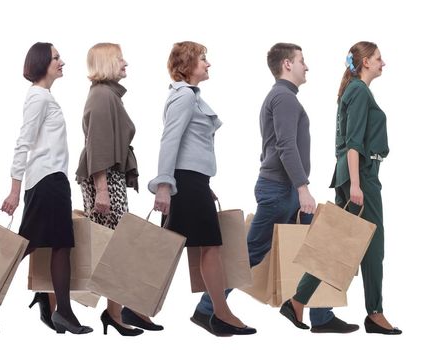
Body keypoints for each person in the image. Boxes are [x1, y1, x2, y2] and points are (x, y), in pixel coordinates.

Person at [191, 43, 358, 334]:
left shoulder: (282, 97)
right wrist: (302, 187)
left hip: (284, 188)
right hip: (281, 190)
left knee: (314, 248)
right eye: (302, 61)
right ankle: (207, 310)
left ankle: (320, 315)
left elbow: (273, 147)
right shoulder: (283, 98)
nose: (307, 66)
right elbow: (285, 146)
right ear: (287, 65)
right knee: (253, 252)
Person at [284, 41, 401, 335]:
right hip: (361, 177)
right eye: (378, 58)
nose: (382, 63)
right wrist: (357, 186)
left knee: (337, 243)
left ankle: (298, 301)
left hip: (354, 176)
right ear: (364, 62)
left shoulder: (354, 91)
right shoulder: (359, 91)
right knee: (373, 247)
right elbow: (353, 144)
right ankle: (374, 313)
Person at [149, 41, 255, 336]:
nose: (208, 64)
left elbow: (188, 145)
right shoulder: (183, 96)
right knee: (208, 246)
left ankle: (136, 305)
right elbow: (169, 141)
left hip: (192, 181)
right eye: (203, 59)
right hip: (182, 182)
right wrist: (164, 186)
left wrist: (202, 183)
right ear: (187, 64)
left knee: (174, 249)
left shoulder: (190, 97)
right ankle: (221, 314)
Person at [1, 42, 91, 335]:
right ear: (42, 63)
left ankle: (62, 311)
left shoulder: (44, 96)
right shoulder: (38, 98)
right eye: (56, 57)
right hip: (46, 182)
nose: (62, 61)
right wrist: (14, 190)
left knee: (57, 245)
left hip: (52, 181)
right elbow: (22, 143)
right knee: (30, 245)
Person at [76, 42, 160, 336]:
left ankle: (119, 310)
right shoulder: (101, 96)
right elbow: (96, 145)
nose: (125, 63)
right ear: (107, 63)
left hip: (110, 179)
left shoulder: (108, 95)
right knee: (112, 250)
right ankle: (115, 313)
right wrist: (101, 190)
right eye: (120, 58)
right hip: (104, 180)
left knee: (116, 249)